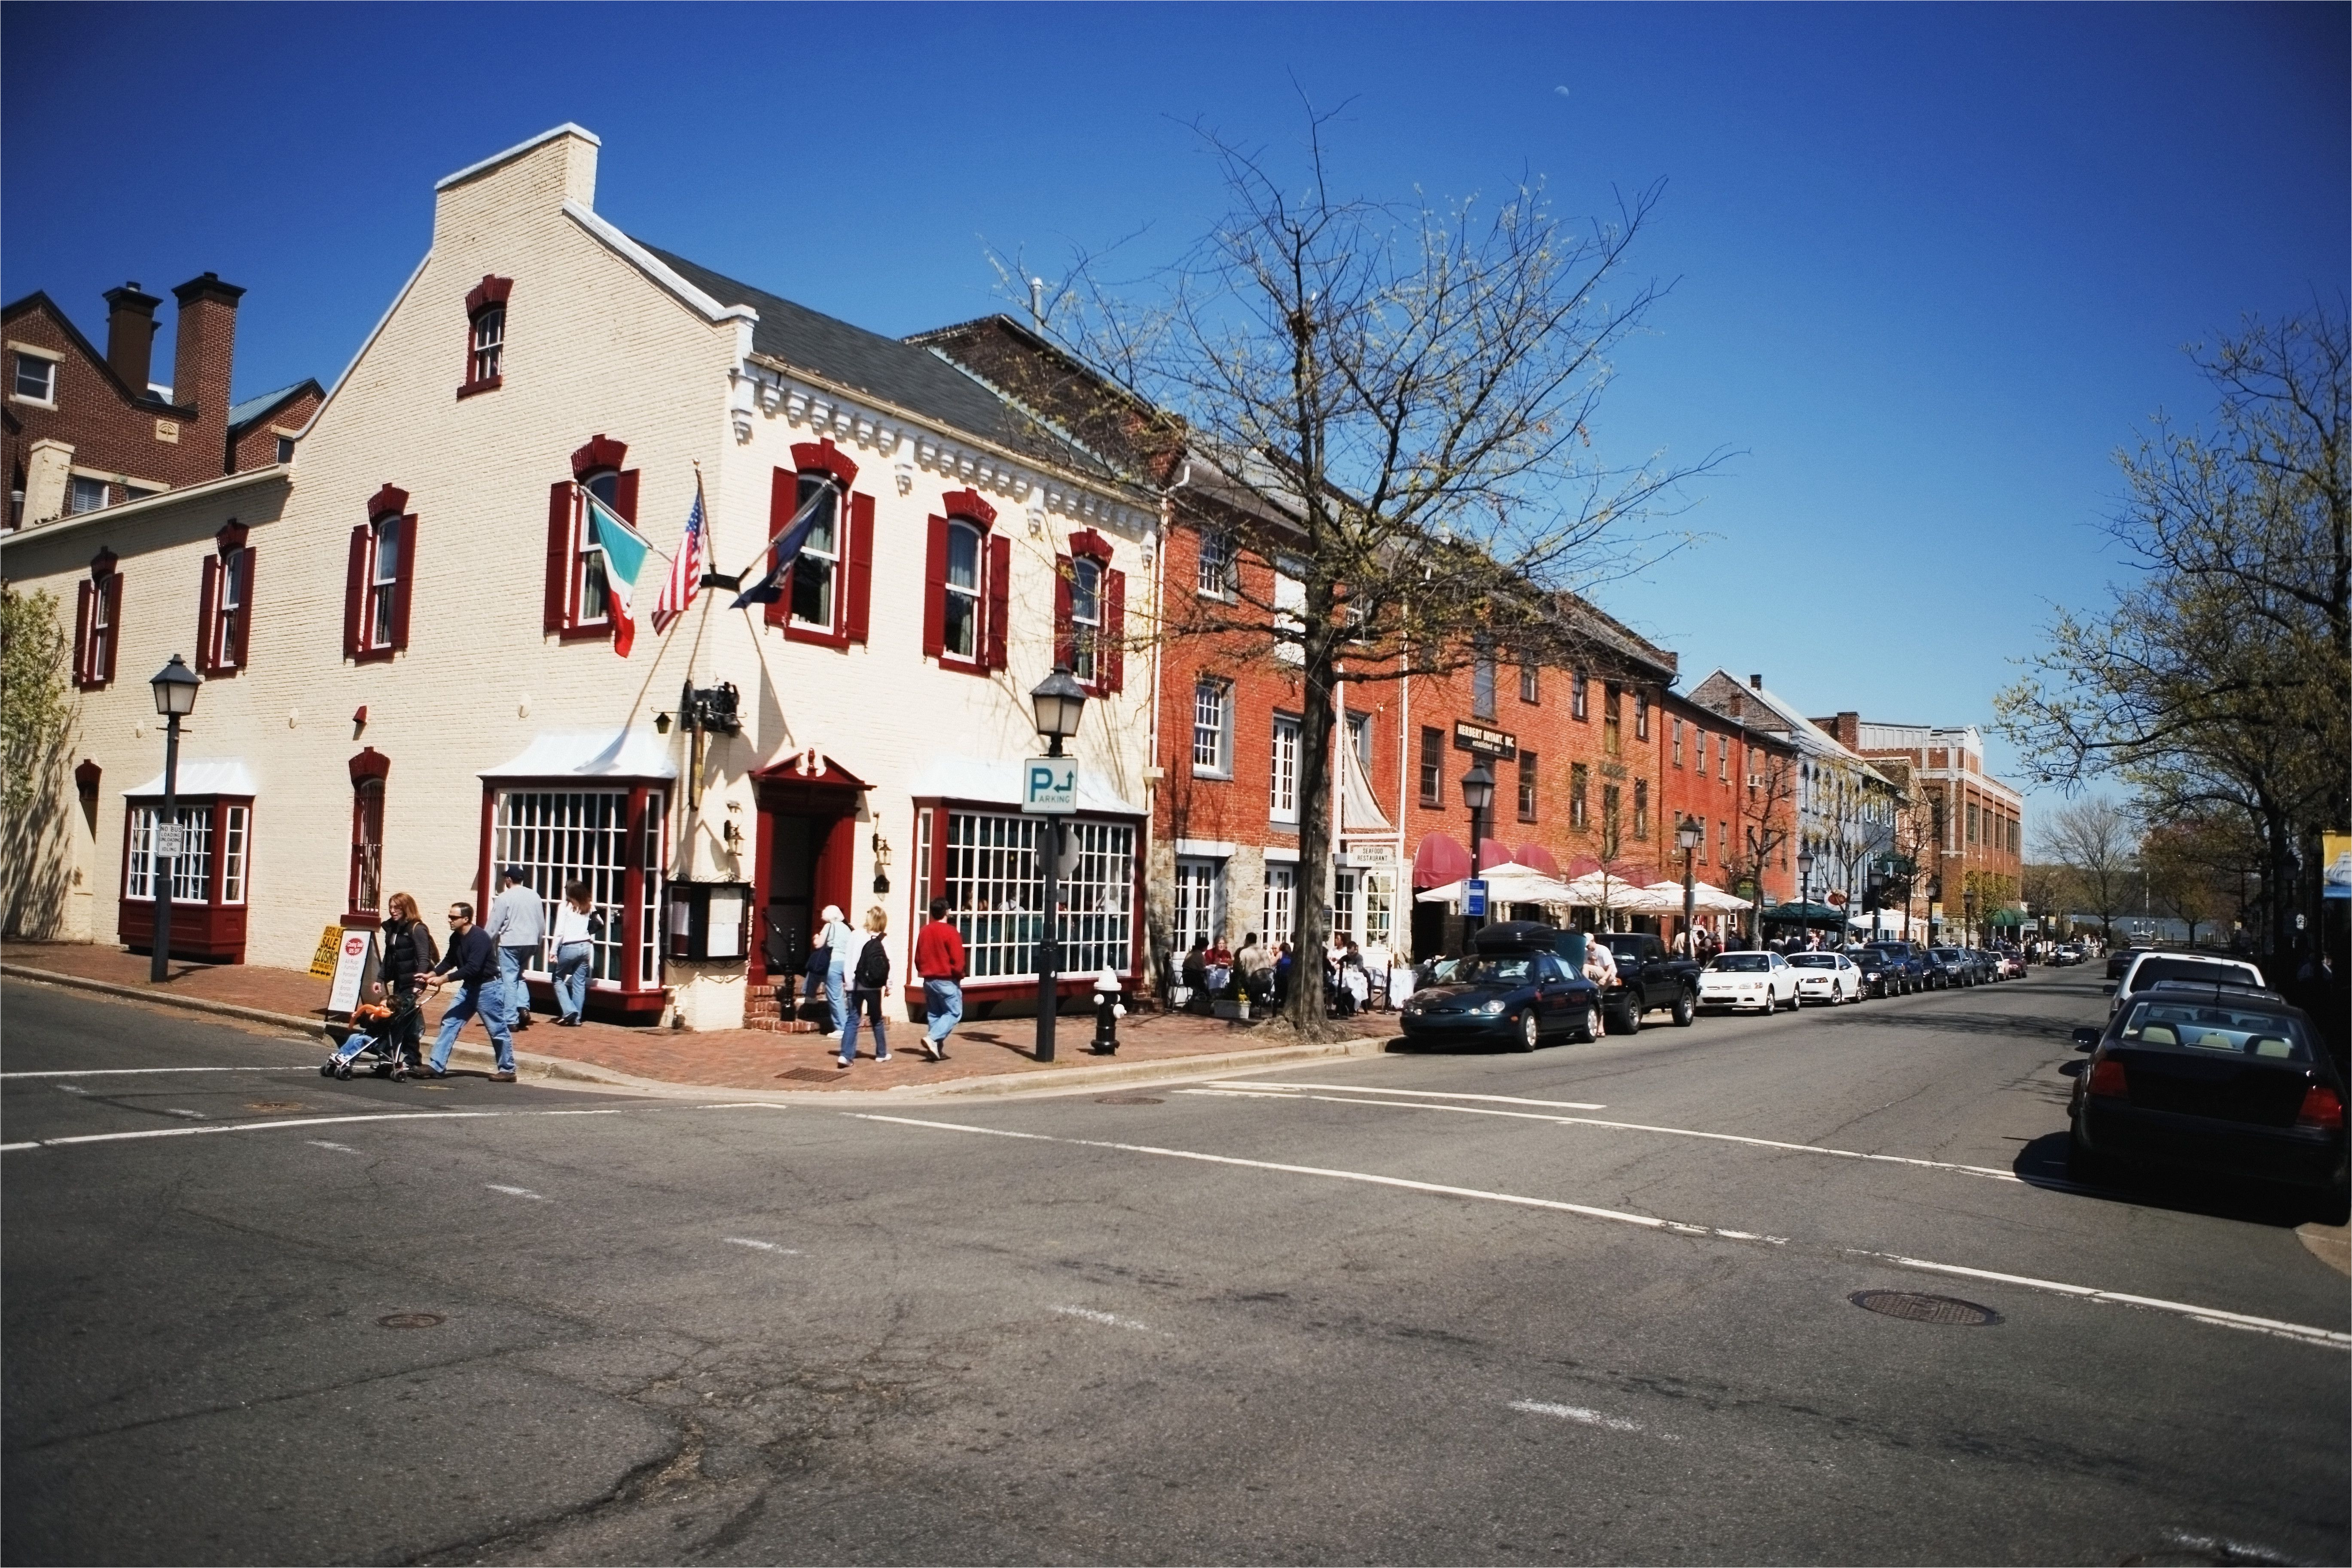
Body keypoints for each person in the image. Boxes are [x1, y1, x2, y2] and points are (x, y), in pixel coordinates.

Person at [325, 891, 436, 1074]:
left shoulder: (417, 929)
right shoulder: (394, 929)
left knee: (404, 1019)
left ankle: (411, 1059)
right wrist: (381, 978)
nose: (393, 911)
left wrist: (419, 983)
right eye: (391, 907)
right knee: (400, 1019)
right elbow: (389, 956)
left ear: (406, 908)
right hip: (400, 981)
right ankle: (396, 1057)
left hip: (413, 983)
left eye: (397, 908)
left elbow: (424, 958)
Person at [422, 900, 514, 1081]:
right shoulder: (456, 938)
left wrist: (444, 979)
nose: (450, 920)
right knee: (450, 1022)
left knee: (497, 1029)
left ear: (466, 919)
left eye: (454, 917)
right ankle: (436, 1066)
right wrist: (431, 974)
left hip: (487, 988)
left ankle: (508, 1070)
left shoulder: (479, 938)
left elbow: (473, 968)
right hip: (468, 989)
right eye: (449, 916)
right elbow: (449, 961)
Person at [484, 866, 545, 1034]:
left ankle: (511, 1019)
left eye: (506, 879)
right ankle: (523, 1007)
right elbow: (541, 923)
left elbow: (494, 925)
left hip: (511, 942)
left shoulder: (504, 898)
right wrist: (538, 944)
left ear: (509, 880)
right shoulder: (535, 896)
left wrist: (483, 943)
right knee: (519, 976)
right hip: (530, 941)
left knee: (509, 979)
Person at [839, 906, 894, 1068]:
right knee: (877, 1019)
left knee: (853, 1019)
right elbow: (888, 965)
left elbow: (848, 959)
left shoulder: (855, 935)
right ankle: (881, 1053)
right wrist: (889, 986)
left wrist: (848, 981)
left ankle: (846, 1055)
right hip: (873, 987)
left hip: (856, 985)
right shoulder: (883, 939)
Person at [914, 897, 966, 1061]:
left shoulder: (925, 931)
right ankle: (932, 1038)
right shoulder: (951, 932)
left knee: (935, 1015)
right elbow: (958, 960)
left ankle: (936, 1049)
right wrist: (959, 974)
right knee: (954, 1012)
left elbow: (918, 958)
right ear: (947, 912)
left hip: (929, 980)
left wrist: (923, 971)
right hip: (946, 979)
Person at [548, 880, 598, 1027]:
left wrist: (553, 951)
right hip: (586, 946)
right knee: (579, 983)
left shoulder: (564, 907)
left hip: (569, 946)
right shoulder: (589, 905)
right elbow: (599, 921)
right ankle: (576, 1018)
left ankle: (569, 1011)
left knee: (557, 979)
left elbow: (560, 932)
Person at [815, 903, 862, 1038]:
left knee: (835, 995)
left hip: (834, 962)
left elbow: (819, 945)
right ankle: (849, 1022)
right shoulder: (847, 928)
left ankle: (841, 1027)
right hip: (846, 963)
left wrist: (816, 938)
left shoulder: (829, 926)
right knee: (845, 994)